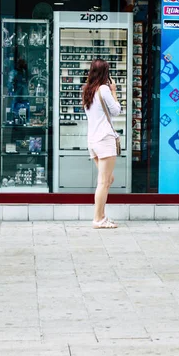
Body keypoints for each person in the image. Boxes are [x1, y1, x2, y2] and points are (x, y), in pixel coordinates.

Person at [82, 59, 121, 229]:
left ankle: (102, 216)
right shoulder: (104, 89)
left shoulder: (87, 90)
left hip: (93, 140)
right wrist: (114, 91)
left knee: (108, 179)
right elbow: (116, 111)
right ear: (106, 73)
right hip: (105, 138)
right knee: (104, 182)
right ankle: (98, 219)